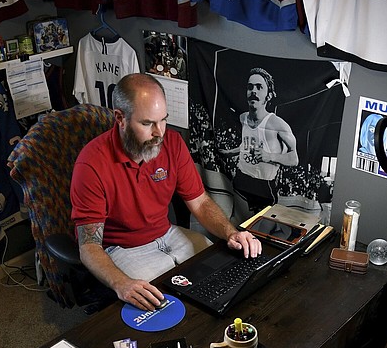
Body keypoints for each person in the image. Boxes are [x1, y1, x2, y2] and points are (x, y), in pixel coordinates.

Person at [71, 73, 262, 312]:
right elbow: (88, 246)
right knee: (165, 306)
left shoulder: (171, 142)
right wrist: (122, 284)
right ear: (120, 118)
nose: (159, 132)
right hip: (124, 249)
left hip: (169, 235)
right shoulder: (91, 164)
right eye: (147, 123)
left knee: (228, 276)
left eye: (163, 120)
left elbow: (200, 202)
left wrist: (230, 232)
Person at [220, 67, 298, 211]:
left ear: (268, 95)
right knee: (238, 222)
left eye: (259, 87)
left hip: (263, 184)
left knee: (262, 228)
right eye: (250, 87)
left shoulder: (277, 123)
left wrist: (269, 156)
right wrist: (229, 152)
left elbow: (294, 159)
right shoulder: (242, 117)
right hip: (242, 177)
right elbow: (246, 145)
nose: (253, 91)